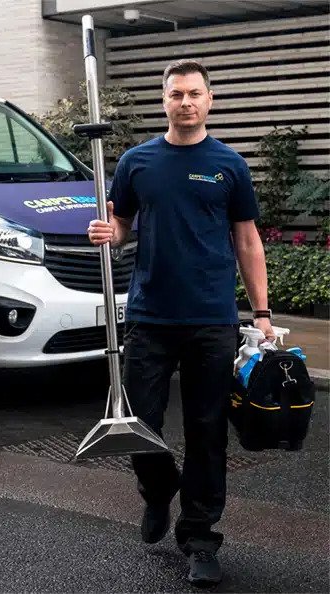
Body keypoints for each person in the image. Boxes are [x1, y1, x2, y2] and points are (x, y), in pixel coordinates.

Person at [87, 59, 274, 587]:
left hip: (212, 319)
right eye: (176, 94)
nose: (185, 102)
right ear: (164, 101)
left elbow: (247, 241)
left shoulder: (229, 165)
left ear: (209, 100)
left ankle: (199, 536)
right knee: (136, 421)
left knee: (207, 430)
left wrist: (261, 313)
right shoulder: (137, 161)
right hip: (150, 315)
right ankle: (158, 488)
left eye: (194, 93)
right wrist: (109, 232)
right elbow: (122, 223)